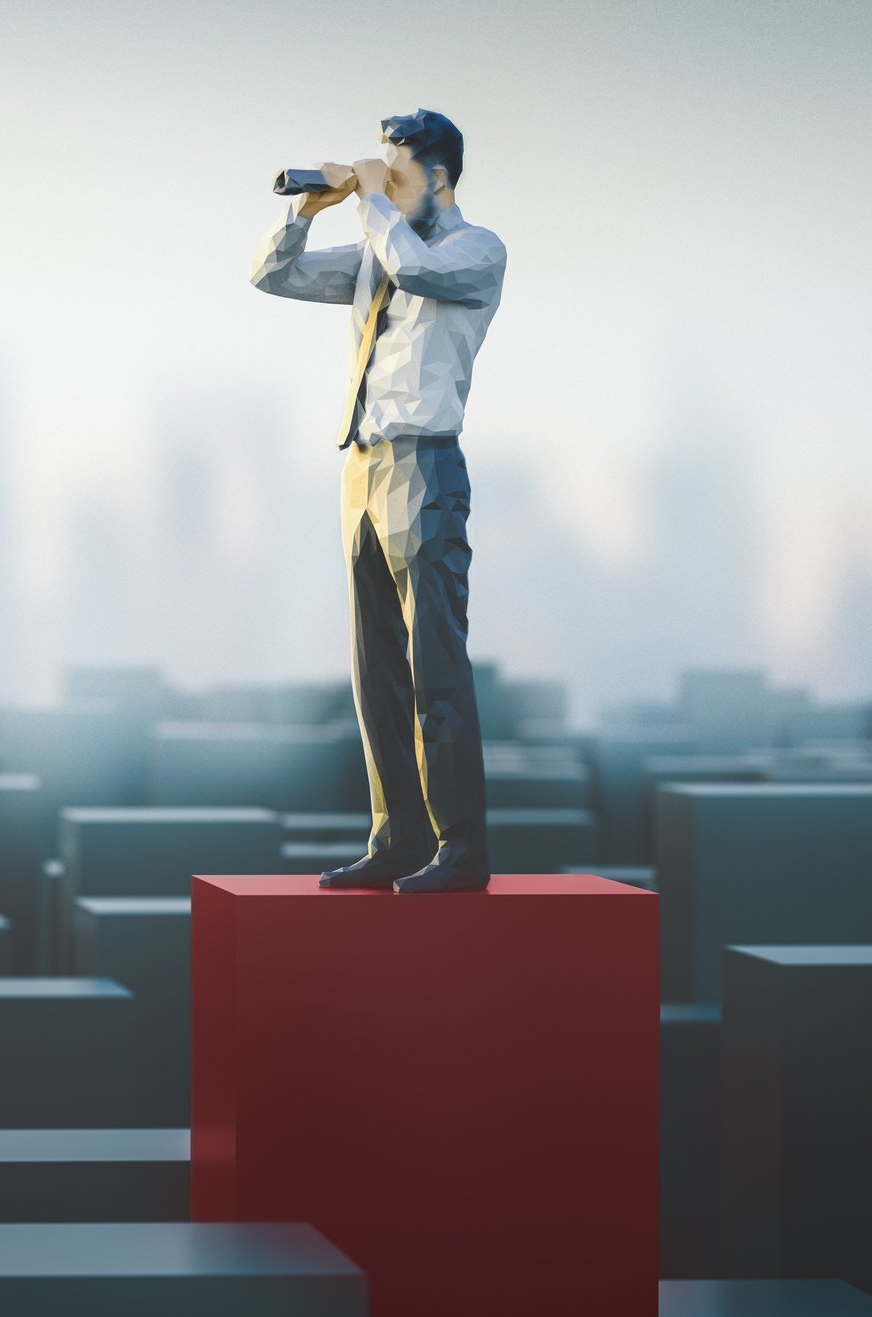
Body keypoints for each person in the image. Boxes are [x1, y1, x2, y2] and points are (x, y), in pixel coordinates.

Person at [250, 109, 506, 894]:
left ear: (436, 178)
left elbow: (418, 270)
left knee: (433, 664)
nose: (384, 186)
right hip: (360, 467)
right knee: (374, 672)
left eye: (396, 174)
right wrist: (306, 209)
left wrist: (371, 199)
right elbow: (273, 275)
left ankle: (459, 849)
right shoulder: (374, 249)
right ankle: (396, 838)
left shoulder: (476, 250)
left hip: (425, 464)